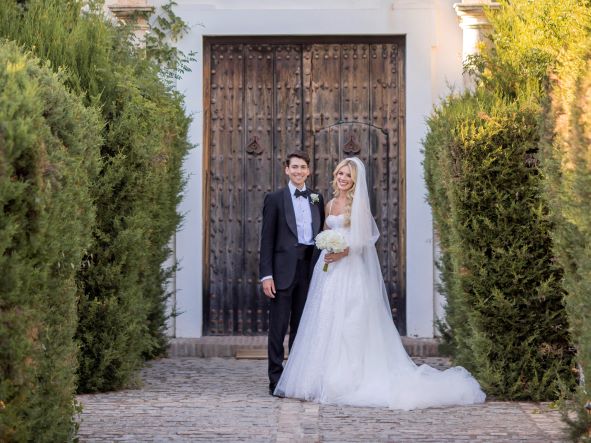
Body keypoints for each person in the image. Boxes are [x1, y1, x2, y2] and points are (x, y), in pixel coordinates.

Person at [274, 157, 486, 410]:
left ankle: (347, 379)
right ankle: (319, 378)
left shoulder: (359, 206)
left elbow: (366, 239)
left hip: (350, 269)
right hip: (328, 272)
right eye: (340, 173)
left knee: (350, 323)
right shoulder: (328, 204)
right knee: (325, 319)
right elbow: (322, 233)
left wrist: (344, 250)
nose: (342, 178)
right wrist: (327, 245)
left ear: (354, 181)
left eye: (348, 176)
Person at [259, 151, 325, 396]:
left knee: (302, 327)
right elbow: (266, 240)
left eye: (303, 167)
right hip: (282, 271)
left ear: (309, 171)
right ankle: (275, 380)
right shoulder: (275, 198)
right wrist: (266, 275)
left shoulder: (317, 198)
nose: (299, 171)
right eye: (294, 167)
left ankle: (297, 378)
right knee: (278, 327)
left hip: (309, 269)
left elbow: (322, 232)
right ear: (286, 169)